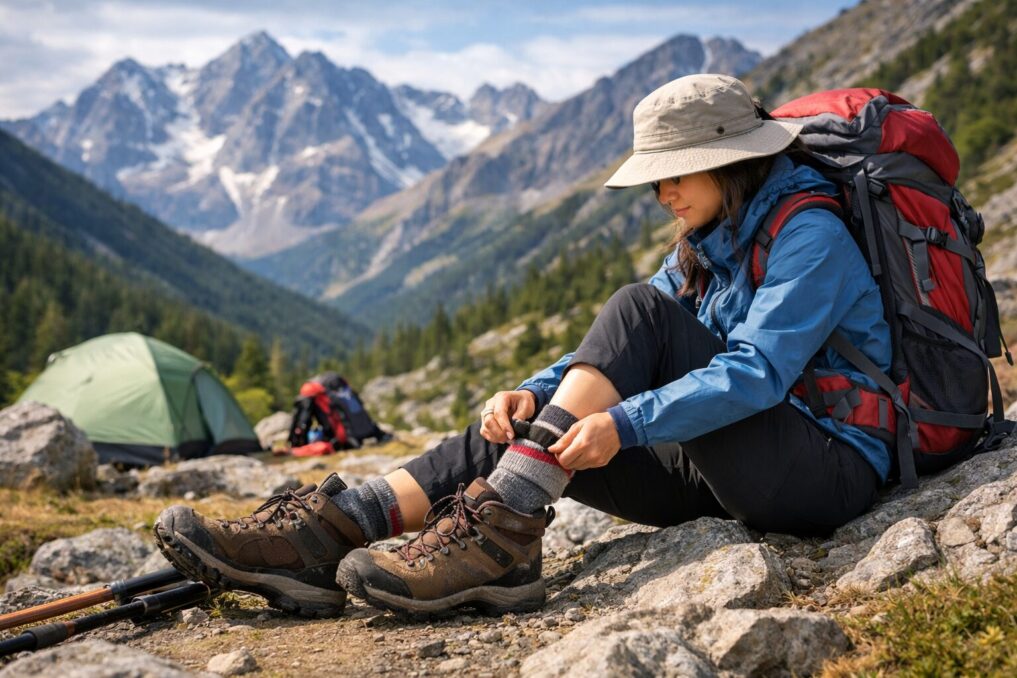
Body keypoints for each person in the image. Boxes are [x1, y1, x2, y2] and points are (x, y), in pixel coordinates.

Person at [154, 74, 890, 618]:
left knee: (635, 312)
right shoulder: (710, 240)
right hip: (731, 468)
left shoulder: (809, 234)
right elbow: (607, 363)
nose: (660, 194)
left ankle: (494, 535)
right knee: (530, 421)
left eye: (673, 172)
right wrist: (533, 394)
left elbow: (756, 372)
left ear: (731, 157)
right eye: (653, 179)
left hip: (824, 473)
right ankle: (334, 533)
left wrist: (625, 424)